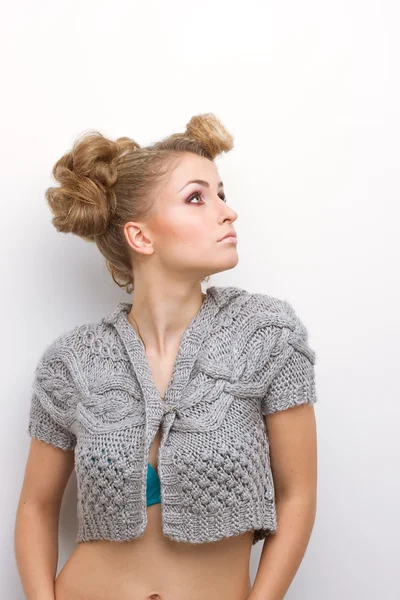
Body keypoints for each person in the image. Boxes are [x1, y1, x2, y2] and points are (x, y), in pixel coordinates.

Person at [14, 113, 318, 600]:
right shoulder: (70, 362)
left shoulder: (266, 335)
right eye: (197, 197)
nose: (226, 211)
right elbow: (36, 508)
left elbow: (297, 495)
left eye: (222, 193)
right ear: (141, 237)